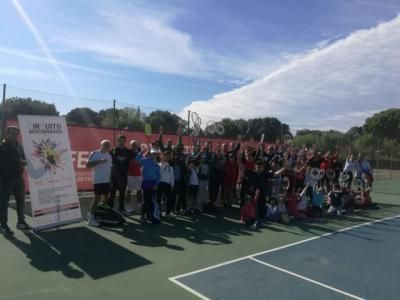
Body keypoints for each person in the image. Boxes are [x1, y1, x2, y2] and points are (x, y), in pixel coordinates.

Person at [0, 126, 31, 235]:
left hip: (19, 178)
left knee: (21, 202)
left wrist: (23, 162)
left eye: (16, 134)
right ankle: (3, 226)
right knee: (3, 203)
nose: (14, 136)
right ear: (6, 134)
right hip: (6, 180)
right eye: (12, 133)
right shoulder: (2, 147)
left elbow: (22, 158)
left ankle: (21, 223)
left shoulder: (18, 146)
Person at [86, 140, 112, 227]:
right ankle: (90, 218)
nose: (107, 147)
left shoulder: (109, 155)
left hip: (106, 181)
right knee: (97, 198)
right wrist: (99, 161)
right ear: (101, 145)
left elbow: (109, 168)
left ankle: (95, 213)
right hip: (98, 180)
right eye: (105, 145)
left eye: (108, 146)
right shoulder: (95, 153)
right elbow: (87, 165)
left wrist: (110, 180)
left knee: (106, 198)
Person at [135, 144, 160, 224]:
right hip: (146, 183)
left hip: (154, 184)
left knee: (151, 201)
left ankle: (150, 216)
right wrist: (142, 151)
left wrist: (156, 184)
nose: (154, 155)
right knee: (146, 201)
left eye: (155, 154)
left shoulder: (157, 164)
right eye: (153, 153)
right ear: (150, 153)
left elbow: (159, 176)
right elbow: (136, 160)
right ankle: (142, 216)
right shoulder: (145, 160)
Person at [109, 134, 131, 213]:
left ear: (125, 141)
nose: (121, 142)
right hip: (114, 177)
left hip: (123, 177)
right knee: (112, 194)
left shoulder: (128, 151)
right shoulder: (114, 150)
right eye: (119, 141)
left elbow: (136, 156)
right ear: (117, 141)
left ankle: (121, 208)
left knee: (122, 194)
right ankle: (110, 208)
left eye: (122, 141)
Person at [125, 140, 142, 214]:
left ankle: (140, 205)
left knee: (139, 190)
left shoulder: (140, 152)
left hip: (138, 174)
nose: (134, 146)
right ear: (130, 146)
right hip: (130, 175)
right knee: (129, 191)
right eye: (132, 145)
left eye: (135, 145)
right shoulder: (128, 152)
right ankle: (128, 206)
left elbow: (141, 163)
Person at [157, 150, 175, 216]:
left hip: (168, 185)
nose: (168, 157)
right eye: (166, 156)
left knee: (170, 198)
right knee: (158, 199)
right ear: (163, 156)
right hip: (160, 184)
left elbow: (172, 177)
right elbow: (157, 174)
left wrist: (172, 185)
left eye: (169, 156)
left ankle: (168, 213)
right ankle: (158, 213)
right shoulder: (159, 165)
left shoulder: (170, 166)